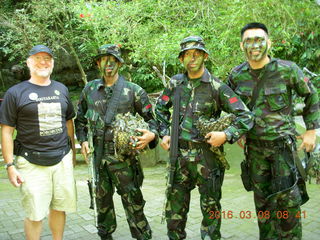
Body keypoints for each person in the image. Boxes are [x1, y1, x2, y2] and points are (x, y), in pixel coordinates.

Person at [155, 36, 254, 240]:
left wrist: (226, 135)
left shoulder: (217, 87)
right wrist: (164, 132)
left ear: (205, 56)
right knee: (174, 215)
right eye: (186, 55)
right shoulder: (175, 83)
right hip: (179, 155)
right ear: (181, 59)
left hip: (207, 156)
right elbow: (160, 109)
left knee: (211, 211)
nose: (191, 58)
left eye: (196, 54)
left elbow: (246, 115)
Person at [227, 22, 320, 239]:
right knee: (264, 208)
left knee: (288, 209)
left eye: (259, 39)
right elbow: (229, 105)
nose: (255, 45)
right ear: (242, 46)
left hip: (283, 152)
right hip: (255, 153)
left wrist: (311, 130)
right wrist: (238, 129)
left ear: (269, 42)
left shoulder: (287, 70)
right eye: (249, 41)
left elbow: (312, 95)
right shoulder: (236, 75)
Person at [75, 44, 158, 240]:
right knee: (101, 204)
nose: (108, 64)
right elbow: (80, 121)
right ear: (98, 63)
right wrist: (83, 141)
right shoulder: (90, 90)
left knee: (134, 203)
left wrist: (151, 136)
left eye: (112, 60)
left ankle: (142, 236)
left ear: (119, 63)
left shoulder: (133, 91)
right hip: (98, 159)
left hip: (124, 160)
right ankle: (105, 235)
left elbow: (153, 121)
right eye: (104, 60)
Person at [0, 45, 77, 240]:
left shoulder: (62, 89)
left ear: (53, 63)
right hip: (31, 162)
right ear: (28, 63)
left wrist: (72, 156)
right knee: (35, 214)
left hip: (62, 160)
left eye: (47, 59)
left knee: (60, 208)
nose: (43, 62)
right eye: (37, 58)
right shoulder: (15, 92)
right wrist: (10, 165)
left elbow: (68, 122)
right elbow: (7, 131)